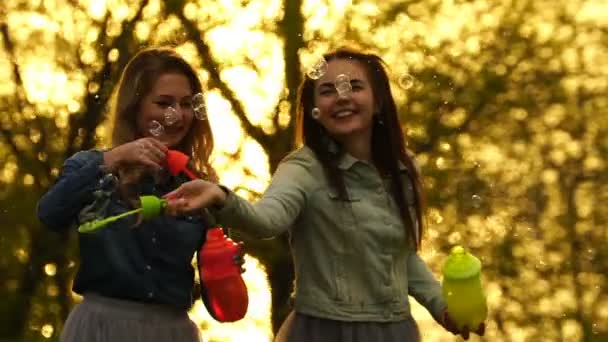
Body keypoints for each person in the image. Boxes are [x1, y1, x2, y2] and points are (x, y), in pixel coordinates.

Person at [164, 47, 486, 341]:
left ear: (379, 101)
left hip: (394, 332)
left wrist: (441, 306)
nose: (342, 98)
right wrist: (220, 196)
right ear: (315, 108)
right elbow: (267, 219)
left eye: (355, 87)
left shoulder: (404, 169)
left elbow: (400, 258)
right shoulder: (303, 168)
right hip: (321, 330)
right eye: (327, 91)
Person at [37, 47, 223, 342]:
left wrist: (223, 267)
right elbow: (50, 214)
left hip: (171, 332)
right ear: (135, 107)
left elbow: (216, 300)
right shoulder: (92, 166)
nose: (176, 115)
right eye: (163, 103)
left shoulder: (199, 185)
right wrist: (113, 159)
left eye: (186, 104)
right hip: (101, 329)